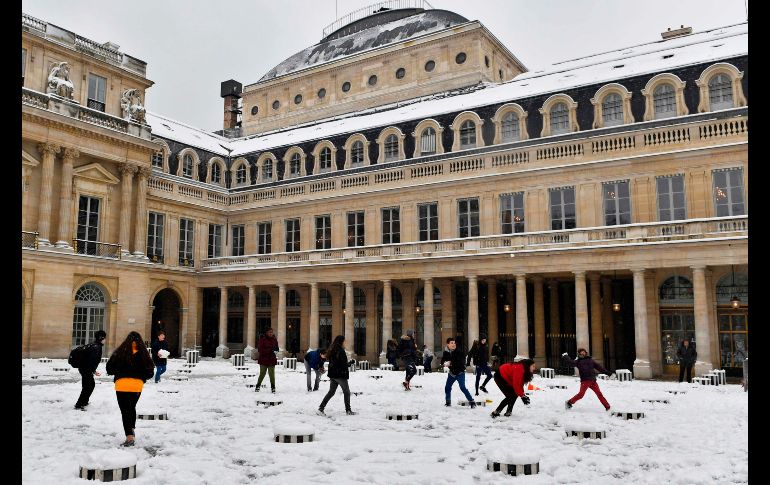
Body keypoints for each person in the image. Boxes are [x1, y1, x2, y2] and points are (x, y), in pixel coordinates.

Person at [105, 331, 155, 447]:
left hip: (121, 385)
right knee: (131, 407)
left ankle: (129, 437)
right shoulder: (143, 353)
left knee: (125, 411)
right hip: (136, 386)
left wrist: (120, 371)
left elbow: (109, 369)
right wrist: (141, 377)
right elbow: (150, 372)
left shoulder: (120, 352)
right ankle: (131, 429)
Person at [318, 335, 357, 416]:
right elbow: (343, 364)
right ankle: (348, 410)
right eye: (344, 341)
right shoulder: (341, 351)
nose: (345, 343)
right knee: (346, 392)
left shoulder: (332, 349)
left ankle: (321, 408)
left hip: (333, 374)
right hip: (340, 375)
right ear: (341, 342)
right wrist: (350, 363)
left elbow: (335, 362)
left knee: (331, 392)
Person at [74, 329, 106, 410]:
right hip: (85, 368)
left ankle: (84, 402)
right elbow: (91, 360)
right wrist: (92, 370)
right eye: (104, 338)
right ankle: (79, 404)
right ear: (101, 338)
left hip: (84, 368)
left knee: (88, 385)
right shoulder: (96, 347)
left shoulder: (94, 345)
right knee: (89, 386)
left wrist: (93, 371)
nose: (105, 340)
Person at [441, 337, 476, 408]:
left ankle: (472, 402)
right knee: (447, 387)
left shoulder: (459, 352)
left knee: (462, 387)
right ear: (448, 344)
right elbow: (442, 361)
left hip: (460, 373)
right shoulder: (446, 352)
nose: (453, 344)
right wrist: (444, 363)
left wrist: (450, 363)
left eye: (454, 343)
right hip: (452, 374)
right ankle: (448, 402)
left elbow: (461, 362)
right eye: (451, 343)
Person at [256, 328, 279, 393]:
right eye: (269, 332)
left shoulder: (274, 340)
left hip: (272, 359)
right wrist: (270, 350)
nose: (271, 333)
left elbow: (277, 348)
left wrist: (276, 350)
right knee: (262, 374)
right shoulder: (262, 340)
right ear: (266, 333)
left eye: (272, 332)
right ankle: (258, 386)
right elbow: (260, 350)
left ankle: (273, 387)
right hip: (264, 359)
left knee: (272, 374)